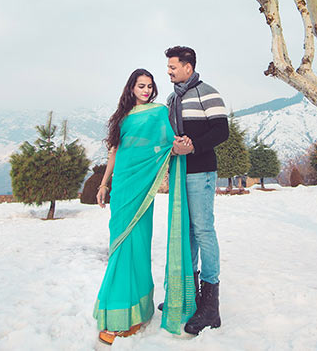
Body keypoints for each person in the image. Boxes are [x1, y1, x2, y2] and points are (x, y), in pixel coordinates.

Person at [93, 69, 196, 345]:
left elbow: (165, 144)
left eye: (150, 86)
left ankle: (134, 313)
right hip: (122, 187)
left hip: (142, 187)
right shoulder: (121, 117)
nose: (146, 90)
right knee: (118, 246)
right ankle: (120, 310)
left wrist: (181, 146)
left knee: (136, 245)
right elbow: (115, 152)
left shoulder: (158, 113)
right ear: (131, 88)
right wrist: (103, 184)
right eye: (141, 86)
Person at [165, 46, 229, 335]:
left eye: (173, 67)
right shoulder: (172, 99)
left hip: (201, 171)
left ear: (188, 67)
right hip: (179, 172)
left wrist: (193, 146)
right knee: (186, 231)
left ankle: (210, 306)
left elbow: (221, 131)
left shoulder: (207, 93)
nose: (168, 71)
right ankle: (188, 296)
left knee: (203, 230)